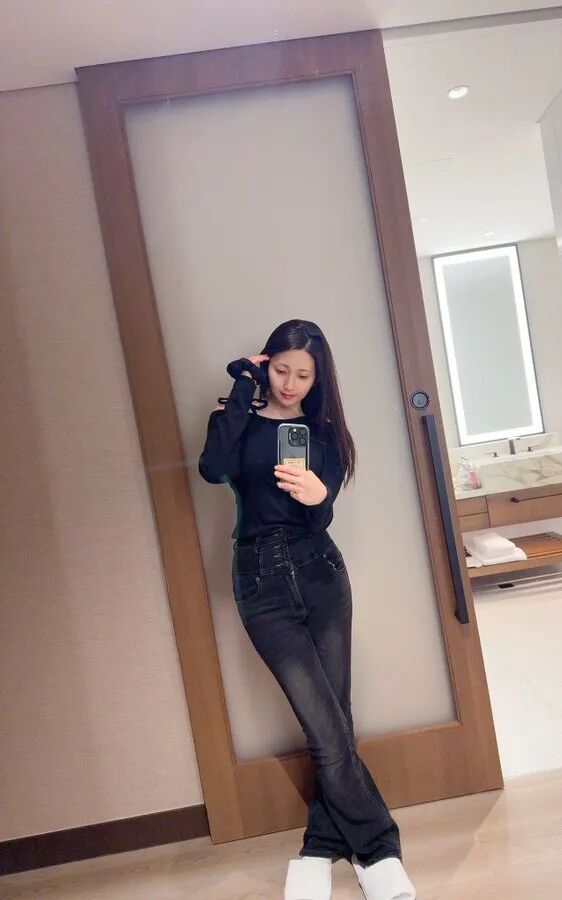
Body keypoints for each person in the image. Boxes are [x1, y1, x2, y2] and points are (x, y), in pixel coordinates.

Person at [198, 320, 416, 900]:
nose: (290, 383)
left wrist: (318, 497)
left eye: (303, 375)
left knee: (334, 720)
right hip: (260, 582)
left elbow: (321, 513)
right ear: (265, 364)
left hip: (320, 572)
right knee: (323, 726)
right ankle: (379, 847)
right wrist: (243, 385)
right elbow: (213, 467)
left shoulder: (324, 435)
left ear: (319, 380)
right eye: (280, 369)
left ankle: (321, 845)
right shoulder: (235, 417)